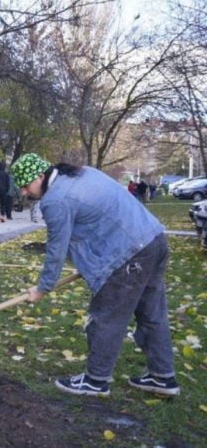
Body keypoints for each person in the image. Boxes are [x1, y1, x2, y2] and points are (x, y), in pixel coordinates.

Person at [10, 154, 179, 397]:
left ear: (40, 176)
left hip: (128, 257)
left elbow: (56, 248)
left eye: (26, 186)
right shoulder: (82, 173)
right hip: (153, 241)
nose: (25, 193)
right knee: (152, 314)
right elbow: (99, 219)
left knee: (106, 318)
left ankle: (95, 380)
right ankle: (163, 377)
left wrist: (42, 288)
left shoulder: (55, 200)